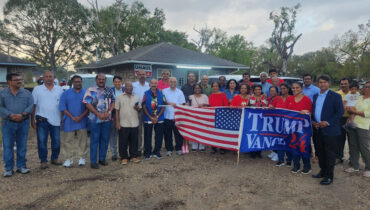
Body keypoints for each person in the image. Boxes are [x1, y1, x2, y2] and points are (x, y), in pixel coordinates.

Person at [311, 75, 344, 185]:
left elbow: (339, 113)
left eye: (325, 82)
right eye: (320, 82)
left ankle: (329, 176)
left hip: (330, 130)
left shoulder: (335, 96)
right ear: (318, 84)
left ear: (329, 83)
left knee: (330, 154)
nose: (322, 84)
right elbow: (314, 111)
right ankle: (323, 171)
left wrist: (327, 122)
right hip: (318, 129)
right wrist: (314, 121)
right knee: (320, 152)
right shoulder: (316, 96)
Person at [0, 73, 33, 177]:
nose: (19, 81)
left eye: (20, 79)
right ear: (9, 82)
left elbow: (31, 105)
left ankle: (21, 166)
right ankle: (8, 169)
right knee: (8, 146)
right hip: (8, 123)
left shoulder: (27, 93)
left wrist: (23, 114)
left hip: (23, 122)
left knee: (22, 145)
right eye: (16, 80)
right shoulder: (2, 94)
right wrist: (10, 115)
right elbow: (0, 107)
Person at [31, 71, 63, 169]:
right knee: (41, 141)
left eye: (50, 76)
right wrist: (32, 120)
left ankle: (54, 158)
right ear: (43, 78)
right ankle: (43, 161)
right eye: (46, 77)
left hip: (56, 119)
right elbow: (34, 106)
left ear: (54, 78)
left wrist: (62, 119)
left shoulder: (59, 89)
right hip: (41, 120)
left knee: (57, 141)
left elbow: (62, 105)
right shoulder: (37, 89)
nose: (49, 78)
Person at [83, 73, 115, 169]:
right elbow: (87, 104)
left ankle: (102, 159)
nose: (101, 81)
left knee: (105, 140)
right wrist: (98, 114)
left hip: (107, 119)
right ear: (96, 80)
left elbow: (113, 101)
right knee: (94, 140)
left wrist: (109, 112)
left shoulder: (109, 90)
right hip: (95, 120)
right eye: (99, 79)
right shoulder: (92, 90)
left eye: (103, 79)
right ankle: (93, 161)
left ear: (105, 80)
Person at [59, 75, 88, 167]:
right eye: (76, 82)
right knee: (67, 140)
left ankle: (82, 158)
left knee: (82, 140)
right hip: (69, 120)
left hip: (82, 120)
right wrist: (72, 117)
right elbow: (63, 107)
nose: (78, 83)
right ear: (72, 83)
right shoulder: (65, 93)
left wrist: (80, 117)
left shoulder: (86, 93)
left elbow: (89, 107)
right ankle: (68, 159)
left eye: (79, 81)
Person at [286, 82, 312, 174]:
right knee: (293, 145)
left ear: (301, 88)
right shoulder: (289, 98)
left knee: (303, 146)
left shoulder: (307, 99)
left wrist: (307, 112)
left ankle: (307, 166)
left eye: (297, 88)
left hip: (303, 128)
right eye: (293, 88)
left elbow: (311, 113)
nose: (295, 89)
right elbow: (285, 112)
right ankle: (296, 165)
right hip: (292, 127)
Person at [345, 81, 370, 177]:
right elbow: (353, 109)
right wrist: (350, 114)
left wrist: (354, 111)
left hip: (363, 126)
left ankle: (368, 167)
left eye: (367, 87)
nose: (364, 88)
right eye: (364, 86)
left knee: (364, 147)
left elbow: (367, 114)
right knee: (353, 145)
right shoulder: (359, 98)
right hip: (353, 124)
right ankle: (354, 165)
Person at [115, 81, 141, 165]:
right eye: (127, 87)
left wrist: (137, 108)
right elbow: (117, 110)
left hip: (134, 123)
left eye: (130, 86)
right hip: (124, 123)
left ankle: (134, 156)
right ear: (124, 88)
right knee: (123, 142)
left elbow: (139, 109)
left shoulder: (136, 97)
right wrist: (117, 122)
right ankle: (124, 157)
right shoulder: (119, 97)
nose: (129, 88)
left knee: (134, 141)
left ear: (132, 88)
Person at [142, 79, 166, 160]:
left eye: (155, 83)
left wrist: (157, 116)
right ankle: (147, 152)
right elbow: (144, 106)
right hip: (148, 118)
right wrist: (151, 117)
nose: (153, 85)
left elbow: (163, 106)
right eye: (152, 83)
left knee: (159, 136)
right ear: (149, 85)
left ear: (157, 84)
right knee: (147, 136)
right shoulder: (145, 93)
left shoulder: (161, 94)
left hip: (159, 118)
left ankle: (157, 152)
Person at [163, 77, 186, 156]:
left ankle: (178, 148)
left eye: (174, 82)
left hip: (177, 117)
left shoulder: (180, 92)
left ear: (177, 83)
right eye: (171, 81)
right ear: (169, 82)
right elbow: (163, 101)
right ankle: (169, 149)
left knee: (178, 134)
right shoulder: (164, 91)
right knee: (167, 134)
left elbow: (182, 104)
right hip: (167, 116)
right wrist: (169, 103)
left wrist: (176, 105)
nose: (173, 83)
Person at [267, 86, 287, 163]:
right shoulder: (269, 99)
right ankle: (274, 151)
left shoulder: (279, 98)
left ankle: (278, 153)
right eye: (270, 91)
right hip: (270, 120)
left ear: (277, 92)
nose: (272, 92)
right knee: (272, 137)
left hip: (278, 120)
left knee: (277, 137)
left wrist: (274, 107)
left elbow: (280, 108)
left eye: (273, 91)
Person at [133, 70, 150, 156]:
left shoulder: (149, 85)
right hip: (137, 110)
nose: (142, 76)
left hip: (147, 110)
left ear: (146, 75)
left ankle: (147, 148)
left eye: (143, 74)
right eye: (140, 74)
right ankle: (139, 149)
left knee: (147, 130)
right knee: (138, 131)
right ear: (137, 75)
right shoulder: (134, 85)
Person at [248, 84, 267, 159]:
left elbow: (267, 107)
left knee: (261, 135)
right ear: (253, 90)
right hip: (252, 119)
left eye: (259, 89)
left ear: (261, 90)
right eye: (256, 89)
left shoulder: (264, 97)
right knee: (252, 135)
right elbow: (246, 107)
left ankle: (259, 152)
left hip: (262, 120)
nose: (258, 91)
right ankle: (252, 152)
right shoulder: (250, 98)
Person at [209, 82, 229, 154]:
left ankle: (222, 148)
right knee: (213, 132)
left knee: (222, 132)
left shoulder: (223, 95)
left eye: (216, 86)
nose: (215, 88)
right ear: (212, 87)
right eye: (213, 86)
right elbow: (210, 106)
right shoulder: (211, 95)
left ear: (219, 87)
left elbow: (226, 105)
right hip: (213, 116)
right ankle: (213, 147)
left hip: (222, 116)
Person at [109, 76, 125, 161]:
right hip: (113, 115)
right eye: (115, 82)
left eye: (119, 81)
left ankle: (123, 152)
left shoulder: (125, 90)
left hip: (123, 115)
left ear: (121, 82)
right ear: (113, 83)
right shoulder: (110, 91)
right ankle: (114, 153)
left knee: (123, 135)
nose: (117, 83)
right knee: (113, 135)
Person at [189, 84, 209, 151]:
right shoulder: (190, 97)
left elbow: (209, 105)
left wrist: (204, 105)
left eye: (198, 88)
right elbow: (188, 106)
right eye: (196, 88)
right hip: (193, 117)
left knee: (202, 130)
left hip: (203, 117)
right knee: (194, 130)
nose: (197, 89)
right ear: (194, 89)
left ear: (201, 89)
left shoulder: (205, 96)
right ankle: (194, 144)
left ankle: (202, 144)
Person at [336, 78, 350, 164]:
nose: (343, 85)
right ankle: (339, 157)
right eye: (342, 84)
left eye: (345, 84)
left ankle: (352, 159)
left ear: (349, 84)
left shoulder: (354, 93)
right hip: (340, 119)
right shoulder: (337, 94)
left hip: (351, 118)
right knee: (340, 139)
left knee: (352, 139)